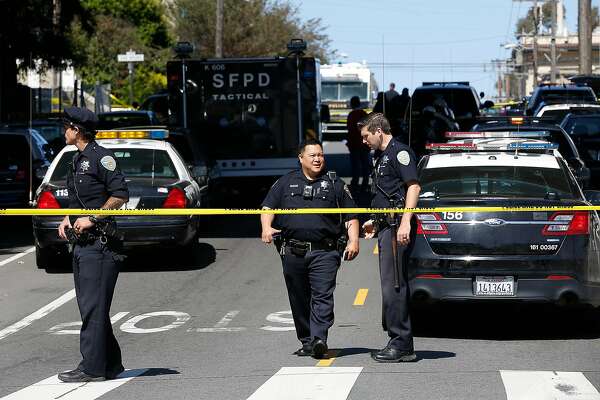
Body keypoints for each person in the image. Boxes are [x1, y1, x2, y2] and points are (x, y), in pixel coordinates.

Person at [260, 139, 360, 359]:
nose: (317, 159)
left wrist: (354, 241)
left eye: (321, 155)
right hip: (293, 252)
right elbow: (268, 206)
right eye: (313, 155)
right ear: (301, 158)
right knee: (299, 298)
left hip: (325, 252)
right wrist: (266, 227)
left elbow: (351, 215)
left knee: (322, 295)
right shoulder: (285, 182)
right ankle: (307, 340)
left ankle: (319, 339)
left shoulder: (334, 184)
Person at [57, 107, 129, 382]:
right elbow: (79, 200)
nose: (63, 131)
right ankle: (110, 363)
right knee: (93, 307)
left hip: (101, 246)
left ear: (77, 130)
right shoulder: (76, 160)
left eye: (66, 126)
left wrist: (93, 217)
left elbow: (120, 195)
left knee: (92, 308)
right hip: (82, 246)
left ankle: (92, 368)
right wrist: (67, 217)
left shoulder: (103, 158)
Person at [359, 113, 420, 363]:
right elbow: (388, 194)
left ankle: (401, 343)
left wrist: (405, 221)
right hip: (387, 226)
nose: (363, 141)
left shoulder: (399, 153)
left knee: (394, 285)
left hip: (397, 228)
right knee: (390, 285)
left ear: (378, 131)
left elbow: (413, 186)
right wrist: (376, 220)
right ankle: (399, 341)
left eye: (366, 136)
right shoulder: (381, 156)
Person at [346, 96, 370, 190]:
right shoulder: (364, 114)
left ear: (352, 104)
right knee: (365, 163)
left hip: (354, 143)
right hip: (364, 143)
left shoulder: (351, 115)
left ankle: (355, 182)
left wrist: (349, 142)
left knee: (355, 164)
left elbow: (350, 130)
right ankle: (365, 182)